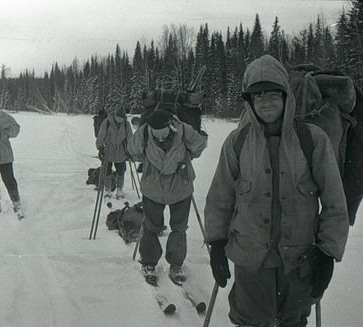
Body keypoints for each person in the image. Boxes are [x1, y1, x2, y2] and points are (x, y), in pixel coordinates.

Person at [204, 54, 349, 326]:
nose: (266, 102)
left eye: (273, 94)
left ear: (286, 97)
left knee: (293, 322)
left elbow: (334, 202)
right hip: (250, 260)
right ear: (249, 102)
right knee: (250, 321)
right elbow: (220, 198)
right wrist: (216, 244)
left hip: (299, 262)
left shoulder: (312, 139)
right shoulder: (237, 142)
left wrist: (328, 253)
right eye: (258, 96)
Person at [127, 110, 207, 284]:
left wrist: (188, 155)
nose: (161, 139)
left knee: (179, 228)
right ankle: (149, 262)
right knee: (150, 227)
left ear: (170, 125)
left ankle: (176, 264)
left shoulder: (184, 130)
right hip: (153, 189)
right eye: (157, 136)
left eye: (163, 136)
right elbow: (133, 150)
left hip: (180, 188)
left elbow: (200, 145)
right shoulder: (145, 131)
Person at [96, 108, 133, 199]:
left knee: (121, 170)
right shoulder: (107, 122)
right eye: (120, 118)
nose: (121, 120)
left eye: (123, 119)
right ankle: (108, 189)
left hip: (121, 149)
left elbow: (130, 137)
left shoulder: (126, 124)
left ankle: (119, 189)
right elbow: (101, 135)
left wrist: (130, 150)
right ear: (115, 116)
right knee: (107, 170)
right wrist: (100, 148)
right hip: (108, 149)